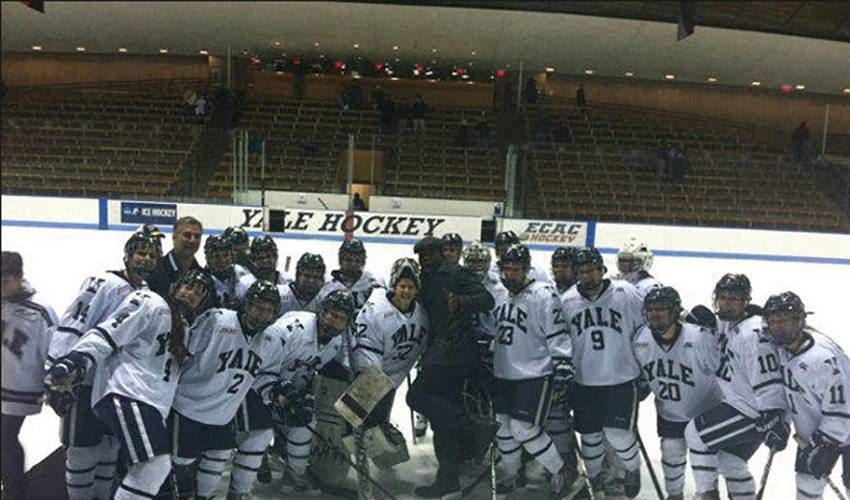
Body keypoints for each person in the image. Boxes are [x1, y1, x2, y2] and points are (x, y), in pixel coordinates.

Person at [43, 270, 214, 500]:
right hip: (127, 393)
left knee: (126, 462)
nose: (191, 294)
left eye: (199, 293)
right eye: (189, 287)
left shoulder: (184, 329)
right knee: (155, 465)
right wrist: (76, 360)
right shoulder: (151, 302)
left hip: (146, 403)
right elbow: (109, 332)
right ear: (175, 287)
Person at [47, 232, 159, 500]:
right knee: (82, 452)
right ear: (127, 255)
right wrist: (56, 372)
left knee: (109, 449)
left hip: (113, 386)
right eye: (140, 252)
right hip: (84, 382)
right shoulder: (105, 283)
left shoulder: (145, 294)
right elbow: (73, 323)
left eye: (152, 255)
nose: (145, 258)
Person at [168, 280, 284, 499]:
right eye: (258, 307)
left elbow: (265, 377)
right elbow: (184, 352)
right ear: (247, 304)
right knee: (181, 467)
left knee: (216, 462)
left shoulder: (271, 340)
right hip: (187, 408)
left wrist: (279, 393)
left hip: (222, 417)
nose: (261, 314)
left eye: (268, 311)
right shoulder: (217, 320)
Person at [685, 274, 788, 500]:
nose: (726, 303)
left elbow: (768, 377)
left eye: (733, 298)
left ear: (745, 301)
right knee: (730, 461)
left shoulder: (752, 335)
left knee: (695, 434)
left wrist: (773, 415)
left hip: (757, 411)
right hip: (744, 404)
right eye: (722, 297)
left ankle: (705, 495)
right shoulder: (731, 322)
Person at [491, 244, 582, 498]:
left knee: (524, 429)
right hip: (503, 374)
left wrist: (563, 368)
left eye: (516, 269)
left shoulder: (544, 294)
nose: (510, 274)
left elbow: (558, 335)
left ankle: (564, 472)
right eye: (506, 269)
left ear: (527, 269)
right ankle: (512, 474)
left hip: (534, 375)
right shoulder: (501, 294)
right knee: (503, 430)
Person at [407, 236, 494, 497]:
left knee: (417, 396)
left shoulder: (455, 273)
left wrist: (460, 302)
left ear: (440, 253)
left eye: (429, 254)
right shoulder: (427, 276)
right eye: (421, 256)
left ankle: (467, 423)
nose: (424, 259)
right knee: (441, 422)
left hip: (454, 355)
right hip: (438, 352)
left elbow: (486, 299)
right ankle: (448, 479)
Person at [561, 247, 645, 498]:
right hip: (584, 380)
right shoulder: (567, 301)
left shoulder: (627, 293)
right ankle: (594, 478)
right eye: (582, 271)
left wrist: (647, 371)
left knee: (619, 435)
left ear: (602, 269)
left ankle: (632, 468)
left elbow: (645, 331)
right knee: (589, 436)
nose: (588, 276)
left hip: (622, 378)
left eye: (593, 270)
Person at [633, 287, 722, 500]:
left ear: (675, 312)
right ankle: (674, 496)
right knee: (671, 454)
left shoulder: (700, 338)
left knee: (706, 464)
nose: (655, 314)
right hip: (670, 413)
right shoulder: (641, 340)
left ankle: (708, 493)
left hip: (704, 414)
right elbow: (644, 377)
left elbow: (723, 372)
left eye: (662, 308)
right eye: (651, 309)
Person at [763, 292, 850, 500]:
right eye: (773, 321)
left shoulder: (821, 359)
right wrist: (778, 418)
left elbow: (843, 409)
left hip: (841, 426)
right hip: (818, 434)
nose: (778, 327)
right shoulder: (784, 349)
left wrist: (824, 442)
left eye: (784, 320)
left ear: (800, 321)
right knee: (806, 486)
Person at [350, 258, 429, 485]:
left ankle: (379, 463)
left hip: (392, 379)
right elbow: (364, 351)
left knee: (378, 424)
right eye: (402, 285)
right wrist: (373, 385)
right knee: (355, 423)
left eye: (411, 287)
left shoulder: (422, 315)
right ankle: (350, 461)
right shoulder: (375, 309)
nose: (405, 291)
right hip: (370, 377)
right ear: (394, 285)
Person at [274, 290, 356, 496]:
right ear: (321, 311)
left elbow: (307, 373)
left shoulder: (334, 342)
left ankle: (295, 473)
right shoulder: (293, 327)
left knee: (305, 421)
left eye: (340, 318)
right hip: (258, 385)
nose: (334, 321)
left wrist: (300, 395)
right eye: (331, 314)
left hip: (285, 389)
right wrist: (280, 391)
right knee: (258, 438)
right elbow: (262, 360)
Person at [1, 251, 58, 500]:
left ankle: (14, 491)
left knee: (5, 438)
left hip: (20, 389)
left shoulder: (40, 310)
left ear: (19, 277)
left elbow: (55, 350)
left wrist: (55, 385)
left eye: (4, 282)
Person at [319, 239, 385, 309]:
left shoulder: (373, 282)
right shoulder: (326, 283)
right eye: (348, 260)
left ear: (363, 262)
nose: (353, 264)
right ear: (340, 260)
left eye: (357, 260)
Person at [148, 216, 203, 298]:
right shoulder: (153, 271)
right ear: (174, 237)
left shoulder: (203, 276)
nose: (192, 240)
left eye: (197, 236)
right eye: (187, 235)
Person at [236, 235, 292, 301]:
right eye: (260, 258)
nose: (265, 261)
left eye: (268, 256)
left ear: (276, 256)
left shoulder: (288, 282)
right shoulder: (244, 284)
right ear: (253, 260)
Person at [204, 234, 251, 310]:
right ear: (208, 258)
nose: (222, 260)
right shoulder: (202, 280)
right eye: (216, 256)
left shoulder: (243, 273)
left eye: (226, 255)